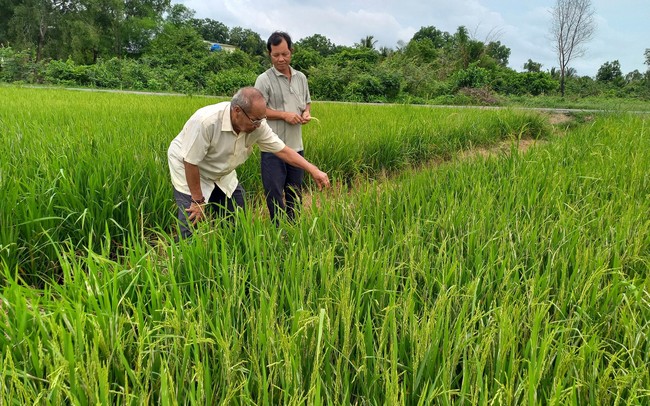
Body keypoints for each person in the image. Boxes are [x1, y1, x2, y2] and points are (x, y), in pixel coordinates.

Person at [167, 87, 329, 238]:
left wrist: (313, 169)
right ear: (237, 111)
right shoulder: (206, 121)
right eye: (255, 120)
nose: (259, 124)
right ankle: (183, 256)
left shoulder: (257, 125)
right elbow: (191, 162)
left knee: (236, 213)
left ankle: (229, 252)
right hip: (189, 167)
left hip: (222, 170)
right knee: (191, 218)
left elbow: (282, 150)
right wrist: (197, 200)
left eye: (261, 119)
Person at [254, 31, 311, 224]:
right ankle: (278, 230)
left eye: (285, 54)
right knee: (274, 192)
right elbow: (257, 112)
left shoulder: (301, 78)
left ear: (291, 52)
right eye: (276, 55)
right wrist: (284, 115)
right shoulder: (263, 80)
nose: (281, 59)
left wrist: (306, 114)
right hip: (273, 148)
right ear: (269, 54)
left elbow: (307, 103)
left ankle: (294, 227)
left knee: (295, 190)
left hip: (296, 146)